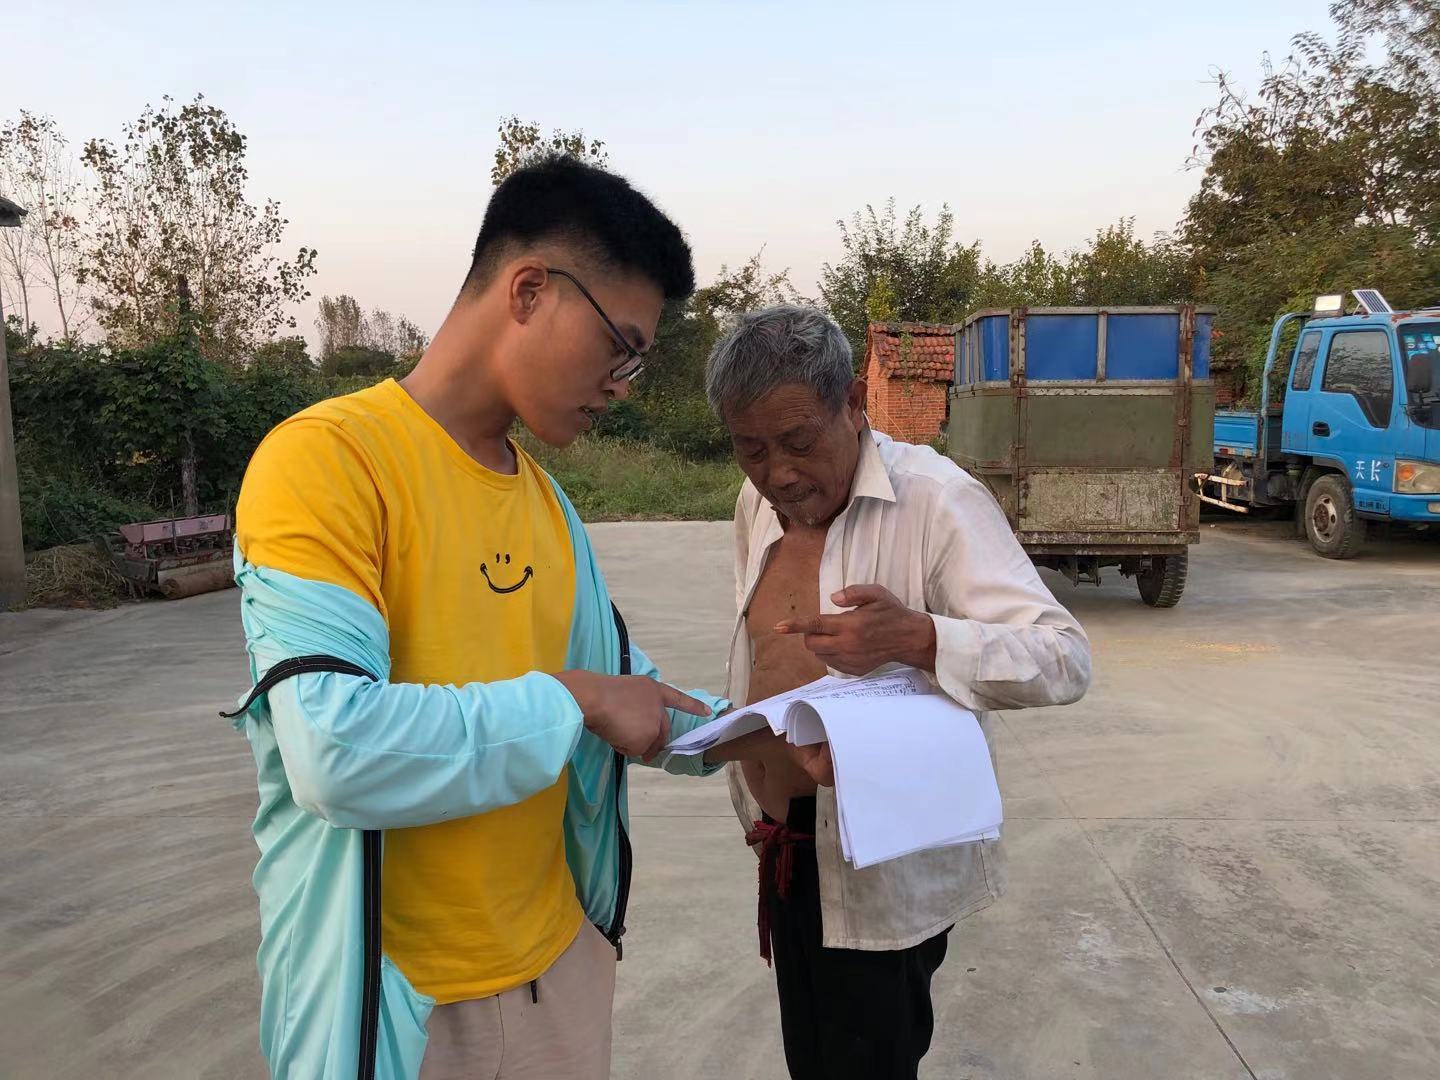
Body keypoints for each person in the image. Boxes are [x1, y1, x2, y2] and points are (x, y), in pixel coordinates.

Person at [230, 157, 756, 1080]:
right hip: (399, 1013)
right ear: (529, 291)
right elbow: (333, 750)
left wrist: (771, 729)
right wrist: (573, 701)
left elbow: (628, 693)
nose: (622, 383)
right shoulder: (328, 463)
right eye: (620, 347)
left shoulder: (549, 507)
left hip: (559, 978)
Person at [704, 304, 1093, 1080]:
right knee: (813, 1063)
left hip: (882, 860)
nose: (778, 474)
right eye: (752, 449)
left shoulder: (937, 499)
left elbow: (1063, 658)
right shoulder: (757, 506)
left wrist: (918, 637)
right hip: (785, 849)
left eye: (799, 442)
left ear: (854, 402)